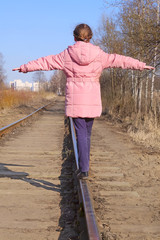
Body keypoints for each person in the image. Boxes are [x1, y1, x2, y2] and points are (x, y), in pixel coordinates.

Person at [13, 23, 154, 179]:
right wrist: (140, 65)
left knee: (81, 133)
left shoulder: (66, 55)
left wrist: (25, 67)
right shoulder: (99, 55)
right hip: (92, 99)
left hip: (75, 100)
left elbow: (46, 62)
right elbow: (119, 60)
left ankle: (84, 168)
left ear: (74, 37)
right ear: (90, 37)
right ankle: (85, 166)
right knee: (86, 133)